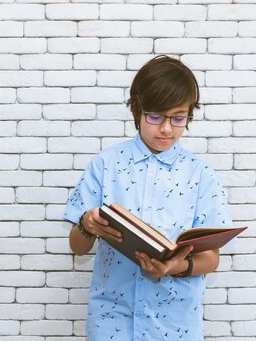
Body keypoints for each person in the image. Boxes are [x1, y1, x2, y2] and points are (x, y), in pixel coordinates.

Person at [64, 55, 232, 340]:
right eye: (155, 116)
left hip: (176, 325)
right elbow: (78, 248)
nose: (166, 128)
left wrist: (176, 266)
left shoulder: (201, 174)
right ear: (137, 110)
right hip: (111, 320)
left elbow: (211, 259)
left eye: (178, 118)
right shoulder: (105, 165)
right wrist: (86, 225)